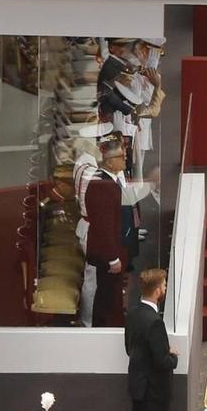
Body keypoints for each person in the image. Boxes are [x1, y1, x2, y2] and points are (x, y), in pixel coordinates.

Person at [123, 268, 176, 411]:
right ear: (157, 291)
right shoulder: (155, 322)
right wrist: (172, 355)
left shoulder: (133, 313)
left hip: (137, 388)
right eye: (163, 285)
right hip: (154, 392)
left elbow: (130, 348)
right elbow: (163, 362)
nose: (164, 288)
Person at [80, 131, 133, 328]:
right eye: (122, 157)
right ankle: (105, 329)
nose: (125, 160)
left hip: (115, 247)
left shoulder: (108, 180)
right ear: (110, 161)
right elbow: (104, 226)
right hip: (107, 254)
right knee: (107, 297)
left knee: (111, 295)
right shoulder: (102, 185)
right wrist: (113, 257)